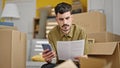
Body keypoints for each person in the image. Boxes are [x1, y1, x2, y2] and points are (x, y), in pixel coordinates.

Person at [41, 2, 88, 68]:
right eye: (61, 19)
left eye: (67, 18)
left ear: (72, 18)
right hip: (60, 65)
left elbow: (86, 57)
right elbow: (53, 59)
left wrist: (84, 58)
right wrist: (49, 59)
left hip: (77, 65)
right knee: (45, 66)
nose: (65, 23)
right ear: (57, 20)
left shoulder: (81, 32)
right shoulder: (51, 34)